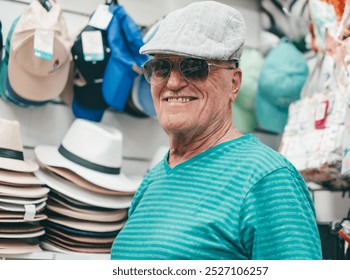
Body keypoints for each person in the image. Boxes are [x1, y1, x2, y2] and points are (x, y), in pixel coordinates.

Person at [111, 1, 322, 260]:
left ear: (234, 84)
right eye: (161, 67)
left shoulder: (268, 180)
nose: (174, 82)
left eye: (195, 67)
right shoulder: (153, 180)